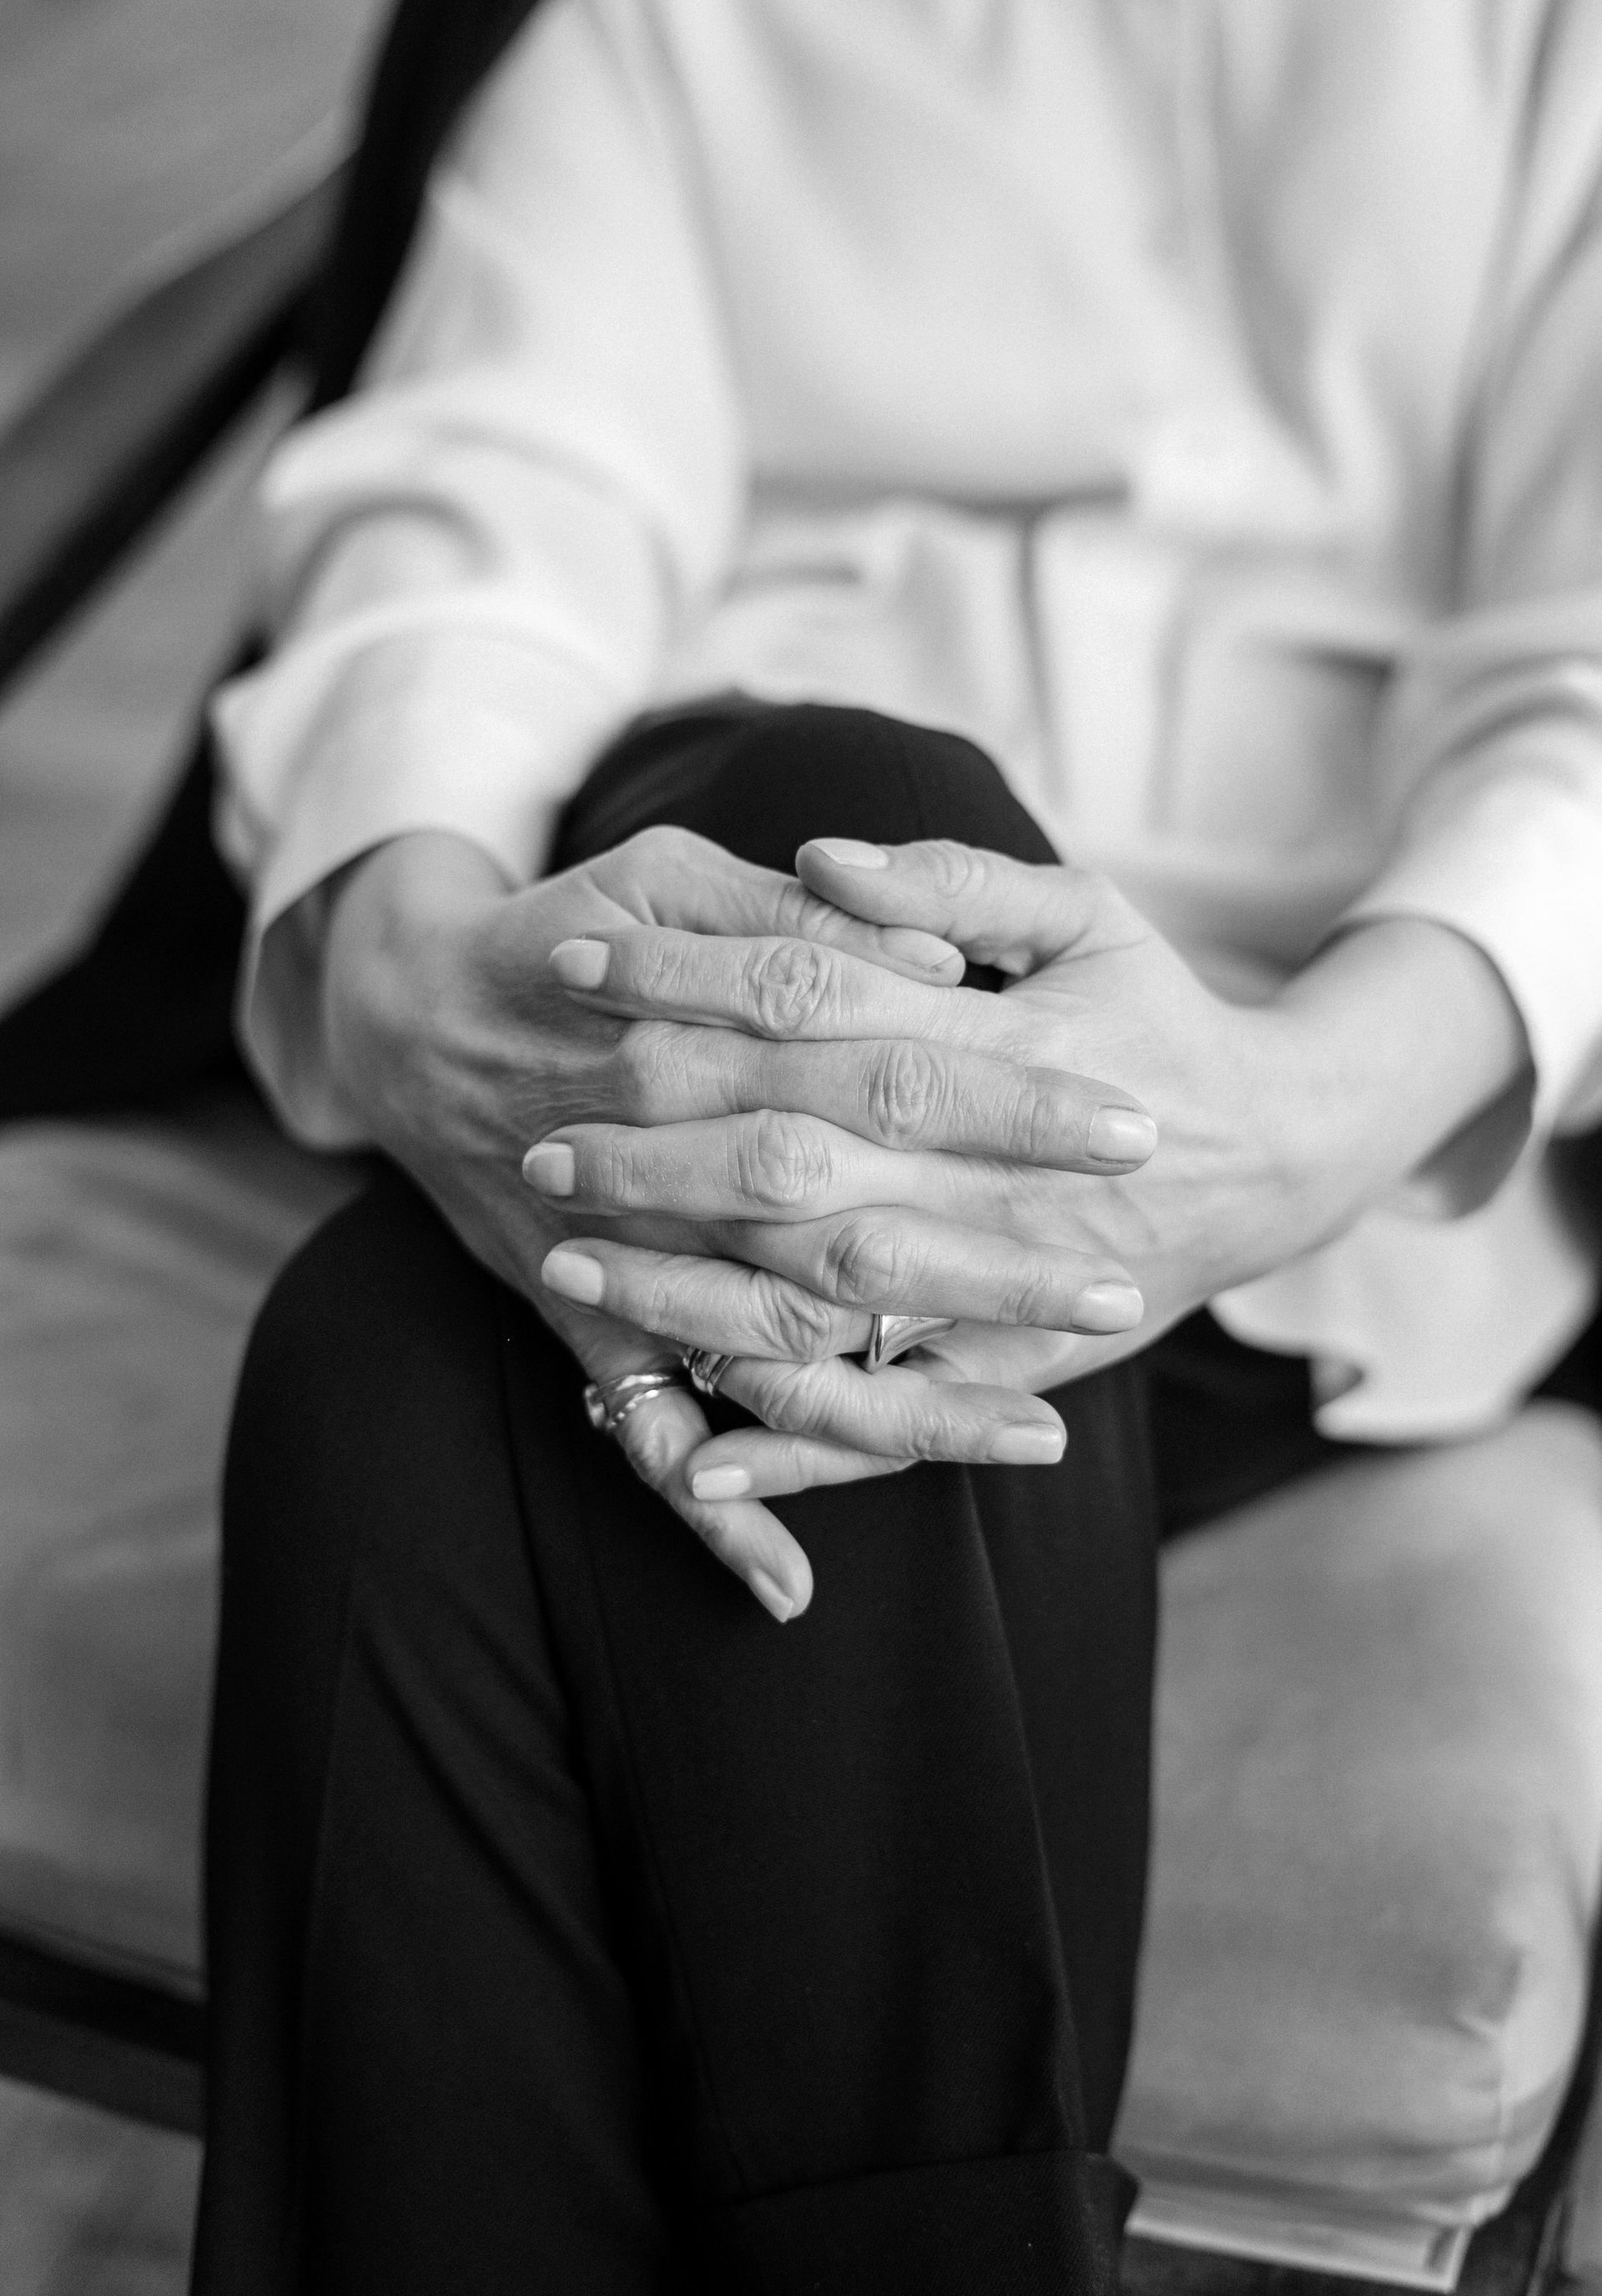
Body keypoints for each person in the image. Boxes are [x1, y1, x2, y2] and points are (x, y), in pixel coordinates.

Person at [189, 5, 1602, 2290]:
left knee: (381, 1367)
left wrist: (1291, 1117)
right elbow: (481, 527)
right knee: (855, 812)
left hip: (1296, 1132)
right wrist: (407, 976)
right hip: (632, 1061)